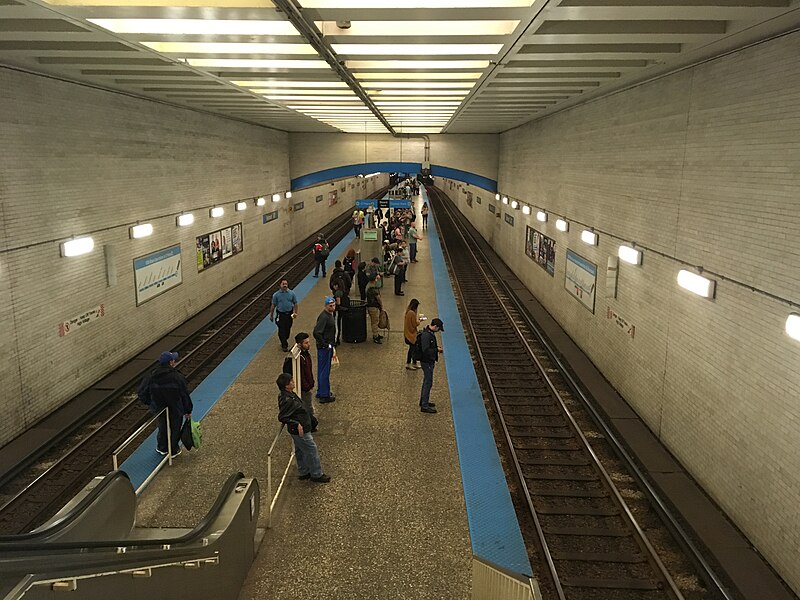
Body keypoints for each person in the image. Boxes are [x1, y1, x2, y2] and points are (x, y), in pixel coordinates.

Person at [137, 351, 193, 457]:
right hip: (176, 408)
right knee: (175, 428)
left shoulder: (151, 375)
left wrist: (151, 402)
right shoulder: (177, 377)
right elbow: (184, 395)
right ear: (171, 362)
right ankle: (173, 450)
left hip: (159, 408)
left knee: (163, 426)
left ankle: (162, 448)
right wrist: (188, 410)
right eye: (174, 360)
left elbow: (142, 393)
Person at [276, 373, 330, 483]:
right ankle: (316, 474)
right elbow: (282, 416)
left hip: (298, 429)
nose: (293, 382)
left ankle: (303, 471)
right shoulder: (288, 399)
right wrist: (296, 423)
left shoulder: (288, 395)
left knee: (300, 450)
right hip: (300, 430)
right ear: (287, 385)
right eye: (291, 381)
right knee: (311, 450)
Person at [283, 332, 317, 430]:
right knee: (307, 407)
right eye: (306, 343)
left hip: (306, 385)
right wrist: (306, 385)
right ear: (300, 344)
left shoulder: (304, 354)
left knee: (308, 406)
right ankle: (310, 425)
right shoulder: (296, 358)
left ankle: (310, 423)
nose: (309, 344)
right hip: (303, 387)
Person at [418, 319, 444, 414]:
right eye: (439, 329)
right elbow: (426, 350)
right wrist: (436, 350)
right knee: (428, 382)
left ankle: (423, 401)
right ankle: (424, 406)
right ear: (435, 327)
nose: (439, 331)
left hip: (428, 361)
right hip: (427, 362)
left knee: (426, 381)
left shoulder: (429, 333)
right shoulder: (426, 335)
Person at [313, 297, 337, 403]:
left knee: (322, 370)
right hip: (324, 348)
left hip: (326, 346)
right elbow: (316, 332)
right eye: (330, 306)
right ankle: (324, 394)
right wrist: (325, 344)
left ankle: (322, 391)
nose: (332, 307)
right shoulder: (324, 317)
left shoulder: (327, 315)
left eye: (333, 305)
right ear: (326, 306)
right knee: (324, 371)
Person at [269, 278, 298, 352]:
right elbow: (273, 305)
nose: (285, 285)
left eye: (286, 284)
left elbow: (295, 303)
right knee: (281, 330)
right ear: (280, 285)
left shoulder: (292, 293)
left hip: (289, 314)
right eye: (283, 284)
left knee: (287, 329)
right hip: (280, 315)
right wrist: (271, 315)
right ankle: (284, 345)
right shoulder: (276, 295)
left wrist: (295, 313)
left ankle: (284, 339)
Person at [404, 299, 422, 370]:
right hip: (411, 335)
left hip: (407, 334)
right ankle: (409, 363)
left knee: (413, 349)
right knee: (412, 350)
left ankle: (414, 362)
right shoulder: (412, 313)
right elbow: (415, 324)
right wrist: (419, 321)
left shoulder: (408, 312)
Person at [332, 279, 350, 346]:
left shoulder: (337, 293)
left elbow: (338, 303)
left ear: (337, 285)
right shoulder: (343, 291)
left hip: (338, 311)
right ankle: (337, 339)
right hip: (343, 310)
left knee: (336, 325)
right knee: (339, 324)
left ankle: (336, 340)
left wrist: (332, 302)